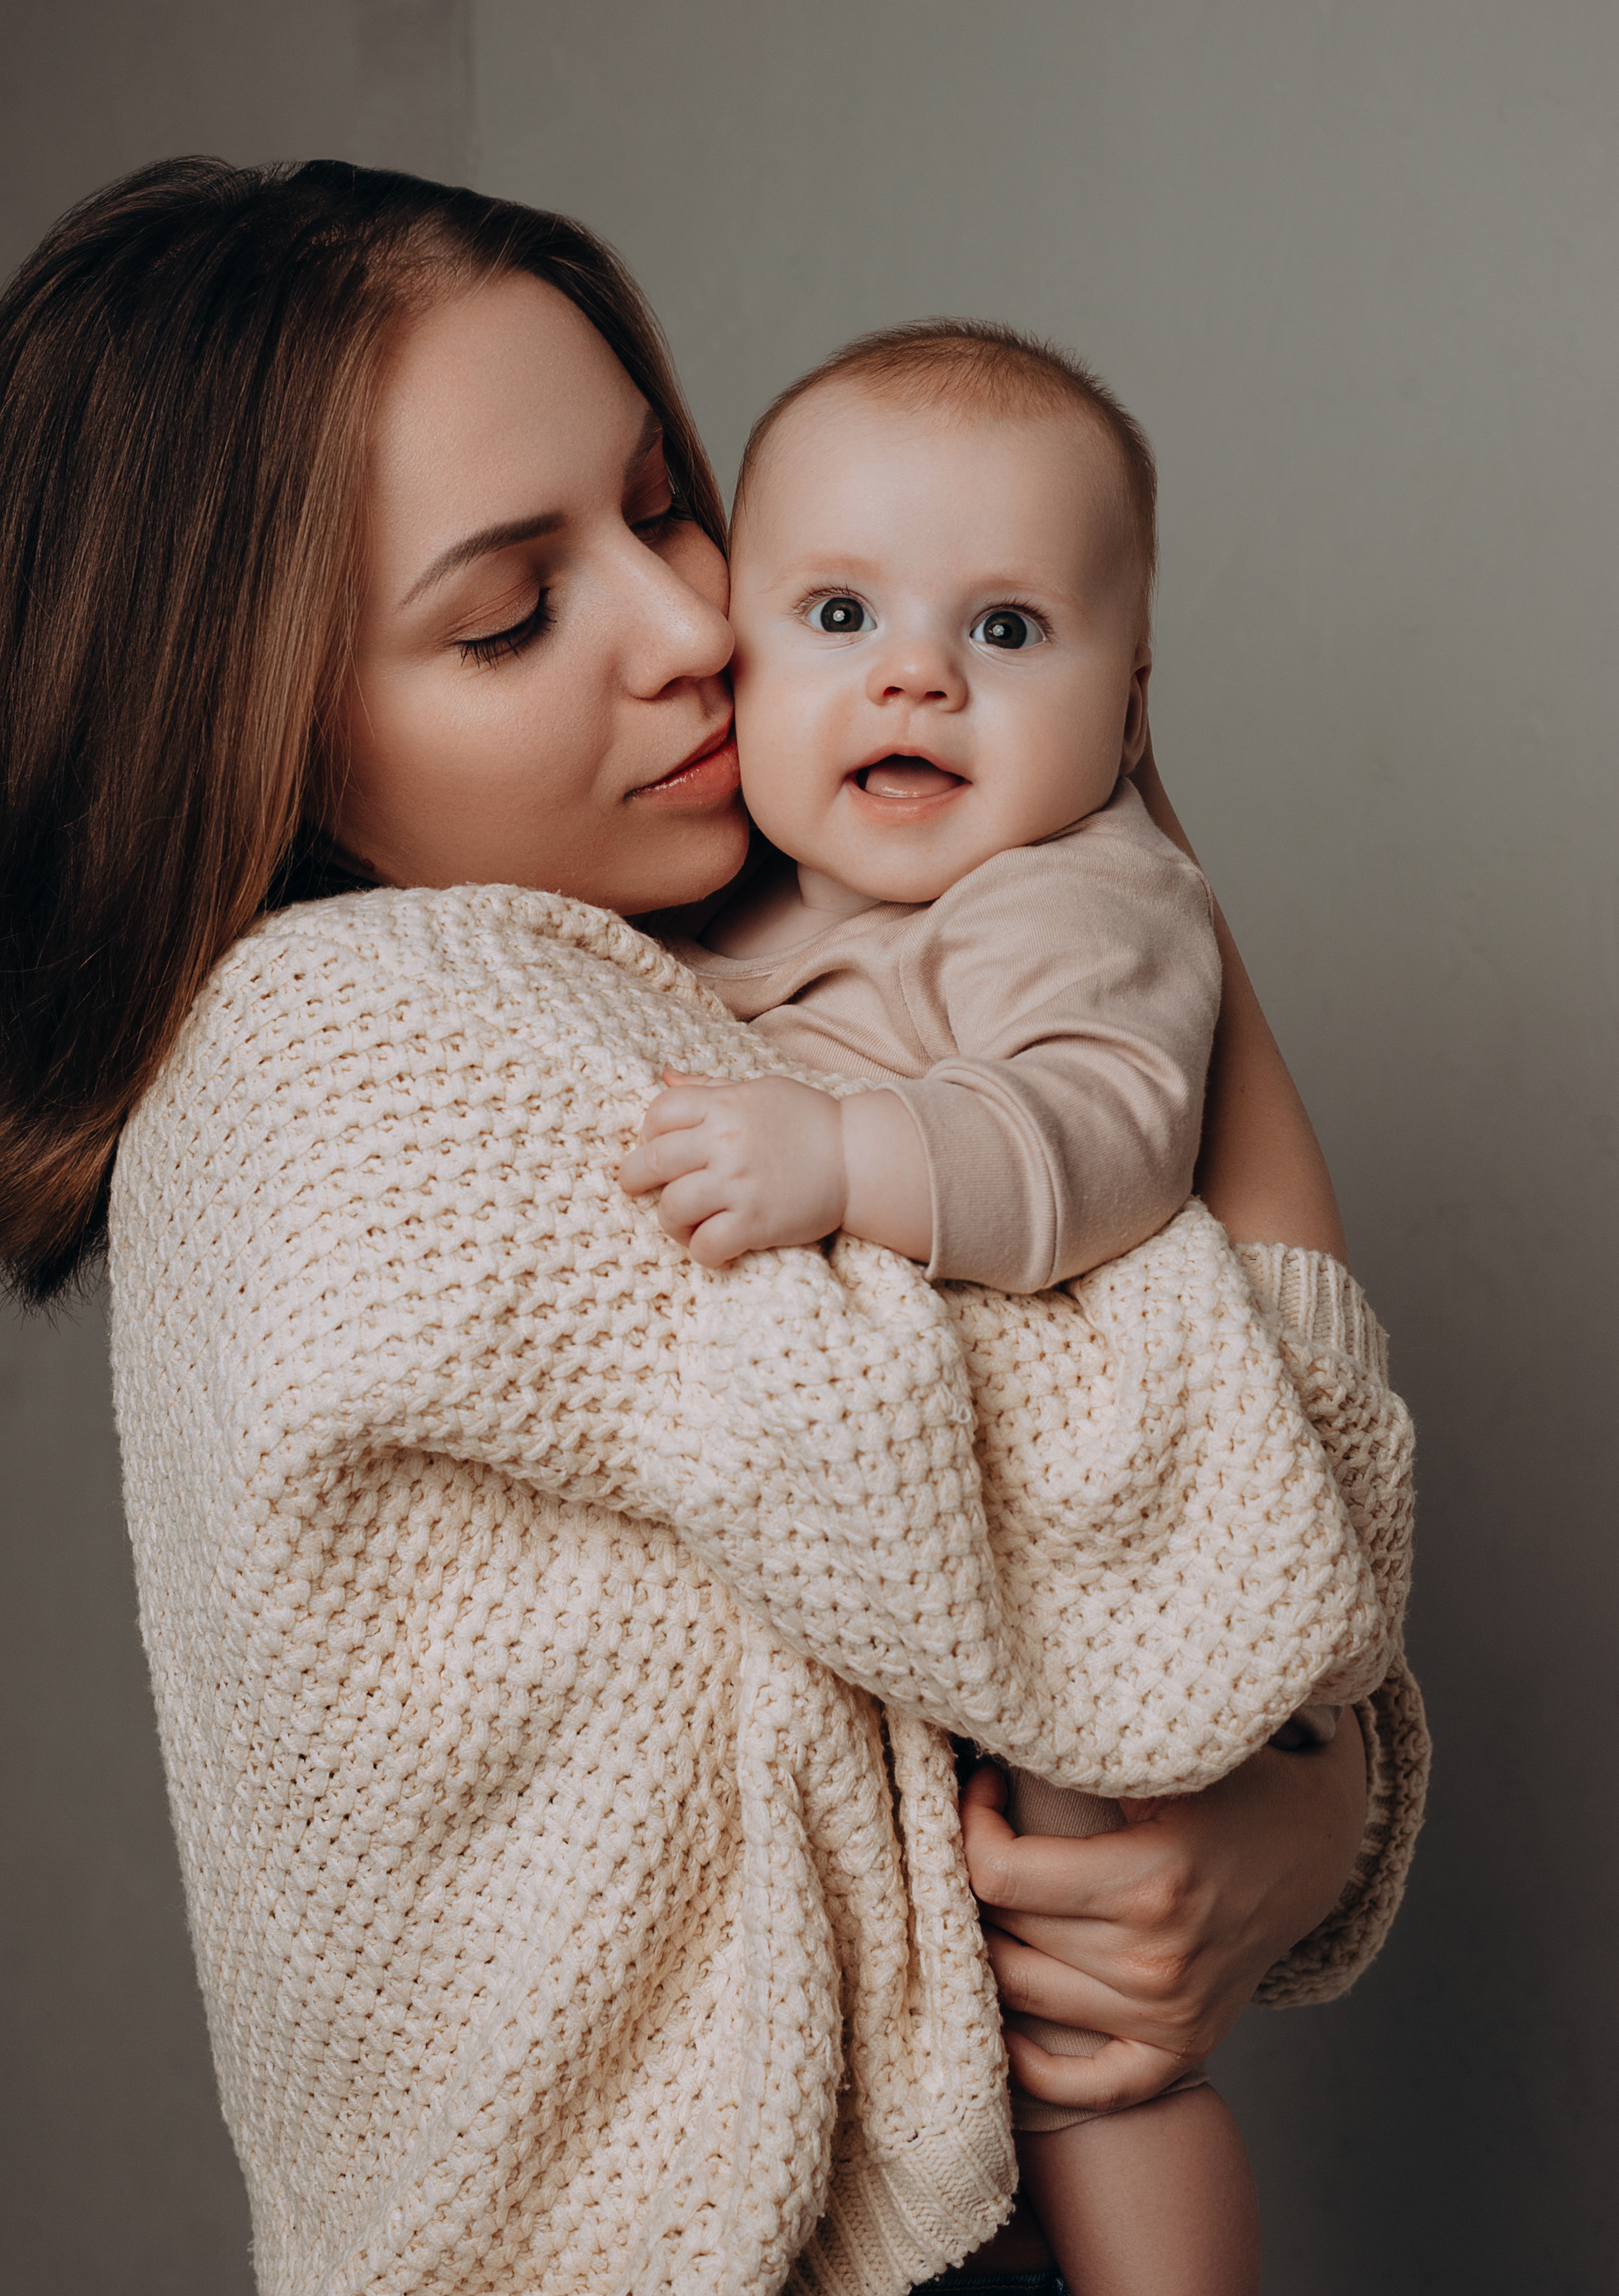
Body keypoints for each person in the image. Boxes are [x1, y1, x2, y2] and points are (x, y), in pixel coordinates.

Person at [0, 158, 1427, 2296]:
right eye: (511, 614)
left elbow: (1181, 1594)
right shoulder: (346, 1049)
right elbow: (1130, 1522)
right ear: (250, 733)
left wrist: (1290, 1807)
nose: (698, 628)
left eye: (664, 505)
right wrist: (1145, 896)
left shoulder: (709, 976)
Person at [620, 321, 1372, 2295]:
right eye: (840, 614)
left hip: (1079, 1546)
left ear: (1131, 707)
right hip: (869, 1631)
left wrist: (841, 1158)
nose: (916, 677)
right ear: (738, 656)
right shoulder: (716, 907)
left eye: (1009, 629)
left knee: (1093, 2066)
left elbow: (1098, 1139)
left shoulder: (1079, 898)